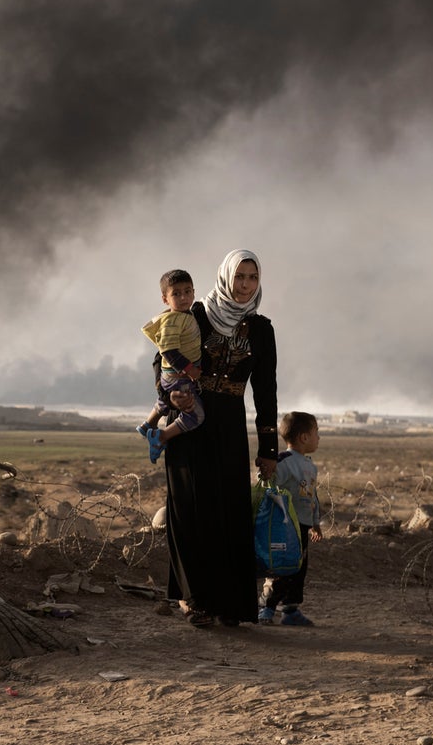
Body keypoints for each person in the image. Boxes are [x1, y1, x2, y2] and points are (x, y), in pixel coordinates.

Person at [162, 249, 278, 628]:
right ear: (226, 276)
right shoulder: (194, 315)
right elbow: (162, 357)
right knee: (190, 508)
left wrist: (269, 450)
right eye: (240, 276)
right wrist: (169, 396)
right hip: (190, 421)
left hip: (229, 425)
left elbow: (266, 392)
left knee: (228, 512)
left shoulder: (262, 329)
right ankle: (192, 599)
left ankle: (230, 604)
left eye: (252, 278)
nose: (245, 285)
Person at [259, 411, 323, 626]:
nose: (319, 438)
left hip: (302, 526)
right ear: (304, 437)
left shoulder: (310, 466)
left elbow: (312, 495)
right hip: (283, 526)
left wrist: (315, 523)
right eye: (316, 433)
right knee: (280, 566)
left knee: (298, 567)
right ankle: (266, 608)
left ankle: (291, 610)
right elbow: (269, 485)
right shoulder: (284, 461)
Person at [137, 269, 204, 463]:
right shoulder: (172, 321)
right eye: (176, 293)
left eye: (187, 291)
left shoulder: (185, 315)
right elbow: (167, 350)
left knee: (166, 403)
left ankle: (147, 424)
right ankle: (161, 436)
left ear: (193, 291)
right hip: (179, 376)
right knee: (196, 416)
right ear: (165, 299)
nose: (183, 297)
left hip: (174, 376)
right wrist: (189, 369)